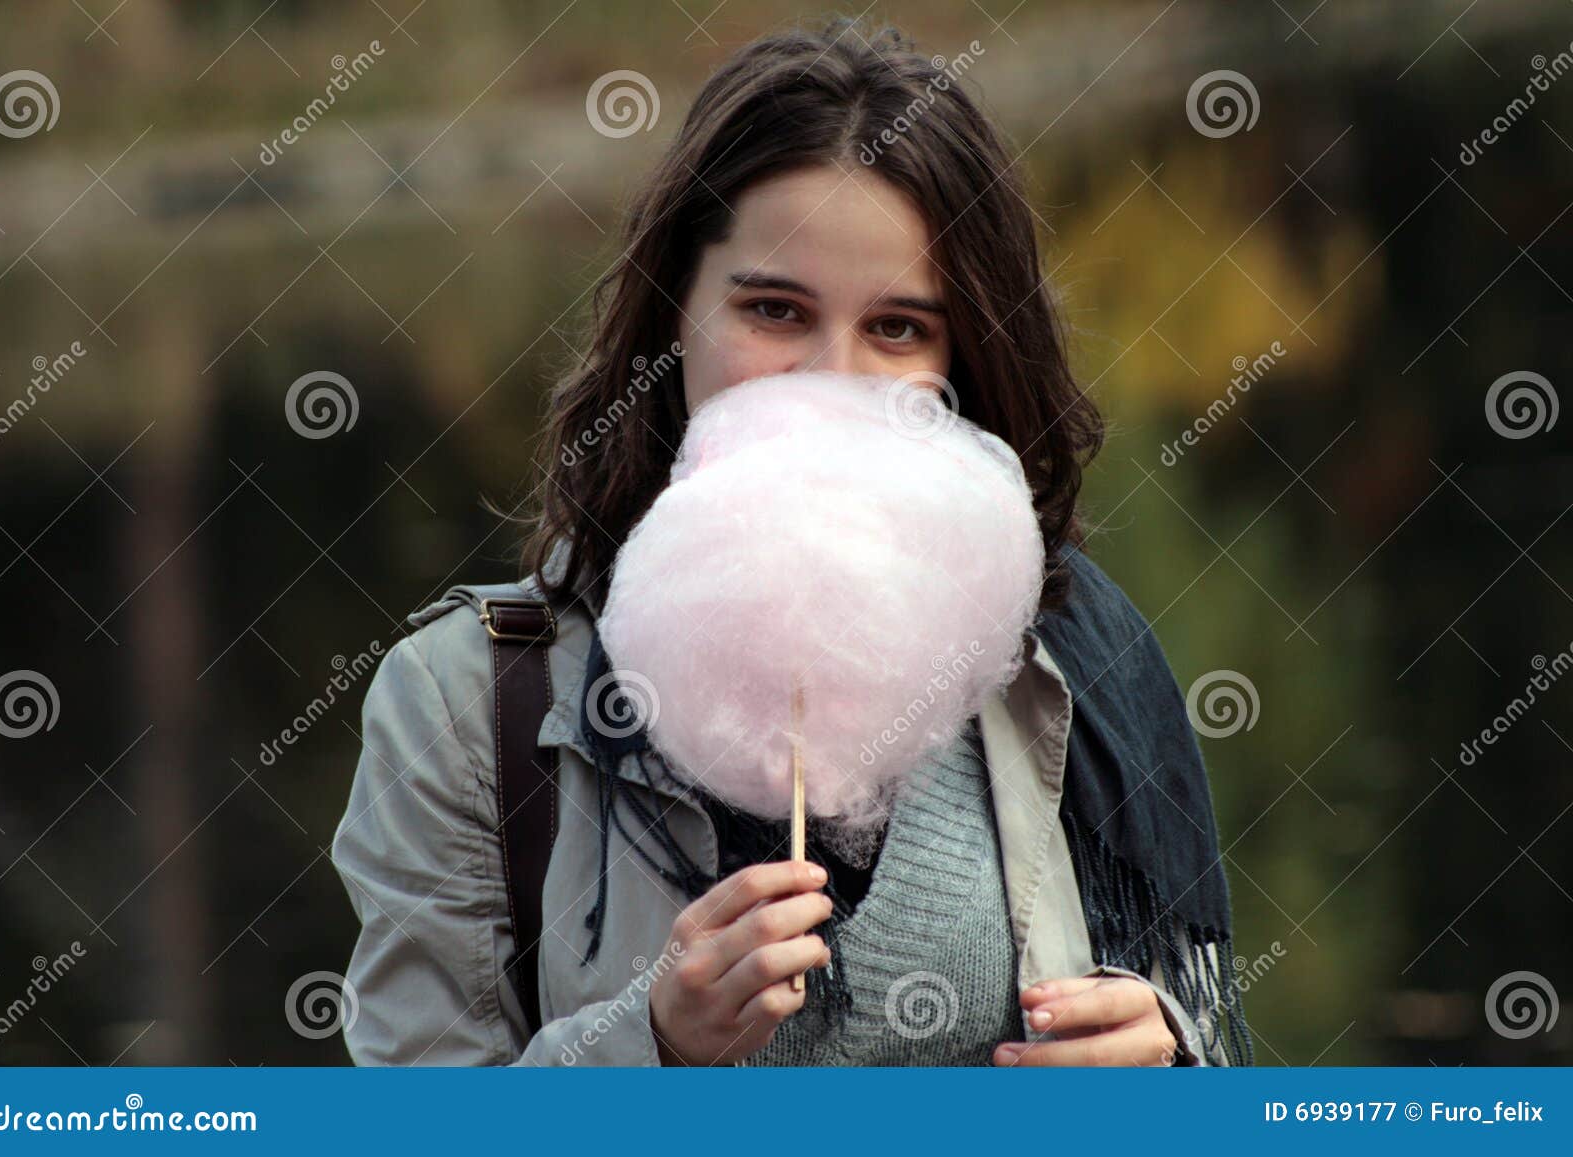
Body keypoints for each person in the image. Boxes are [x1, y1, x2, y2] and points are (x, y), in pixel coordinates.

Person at [330, 16, 1253, 1068]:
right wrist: (653, 1041)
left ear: (965, 360)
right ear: (675, 311)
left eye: (898, 327)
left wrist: (1170, 1072)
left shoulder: (1055, 652)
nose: (831, 375)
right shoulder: (463, 705)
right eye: (774, 308)